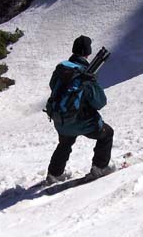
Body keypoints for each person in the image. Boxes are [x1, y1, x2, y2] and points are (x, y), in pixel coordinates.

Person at [46, 35, 114, 184]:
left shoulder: (61, 68)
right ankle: (100, 167)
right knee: (107, 134)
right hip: (80, 121)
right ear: (88, 53)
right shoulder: (85, 74)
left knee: (65, 142)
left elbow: (53, 88)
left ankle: (54, 174)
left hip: (60, 119)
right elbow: (100, 102)